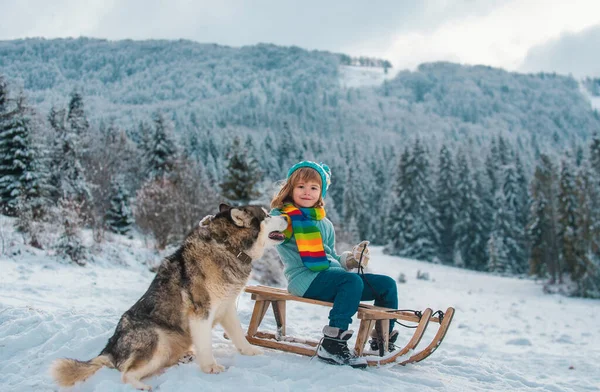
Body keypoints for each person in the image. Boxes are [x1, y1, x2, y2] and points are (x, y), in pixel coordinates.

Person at [270, 161, 399, 368]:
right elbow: (274, 232)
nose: (307, 192)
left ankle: (382, 339)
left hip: (331, 277)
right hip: (304, 279)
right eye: (301, 186)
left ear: (321, 192)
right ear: (290, 189)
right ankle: (332, 343)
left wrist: (351, 259)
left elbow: (329, 255)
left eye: (314, 188)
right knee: (351, 281)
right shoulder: (283, 217)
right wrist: (273, 229)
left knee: (386, 284)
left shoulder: (325, 223)